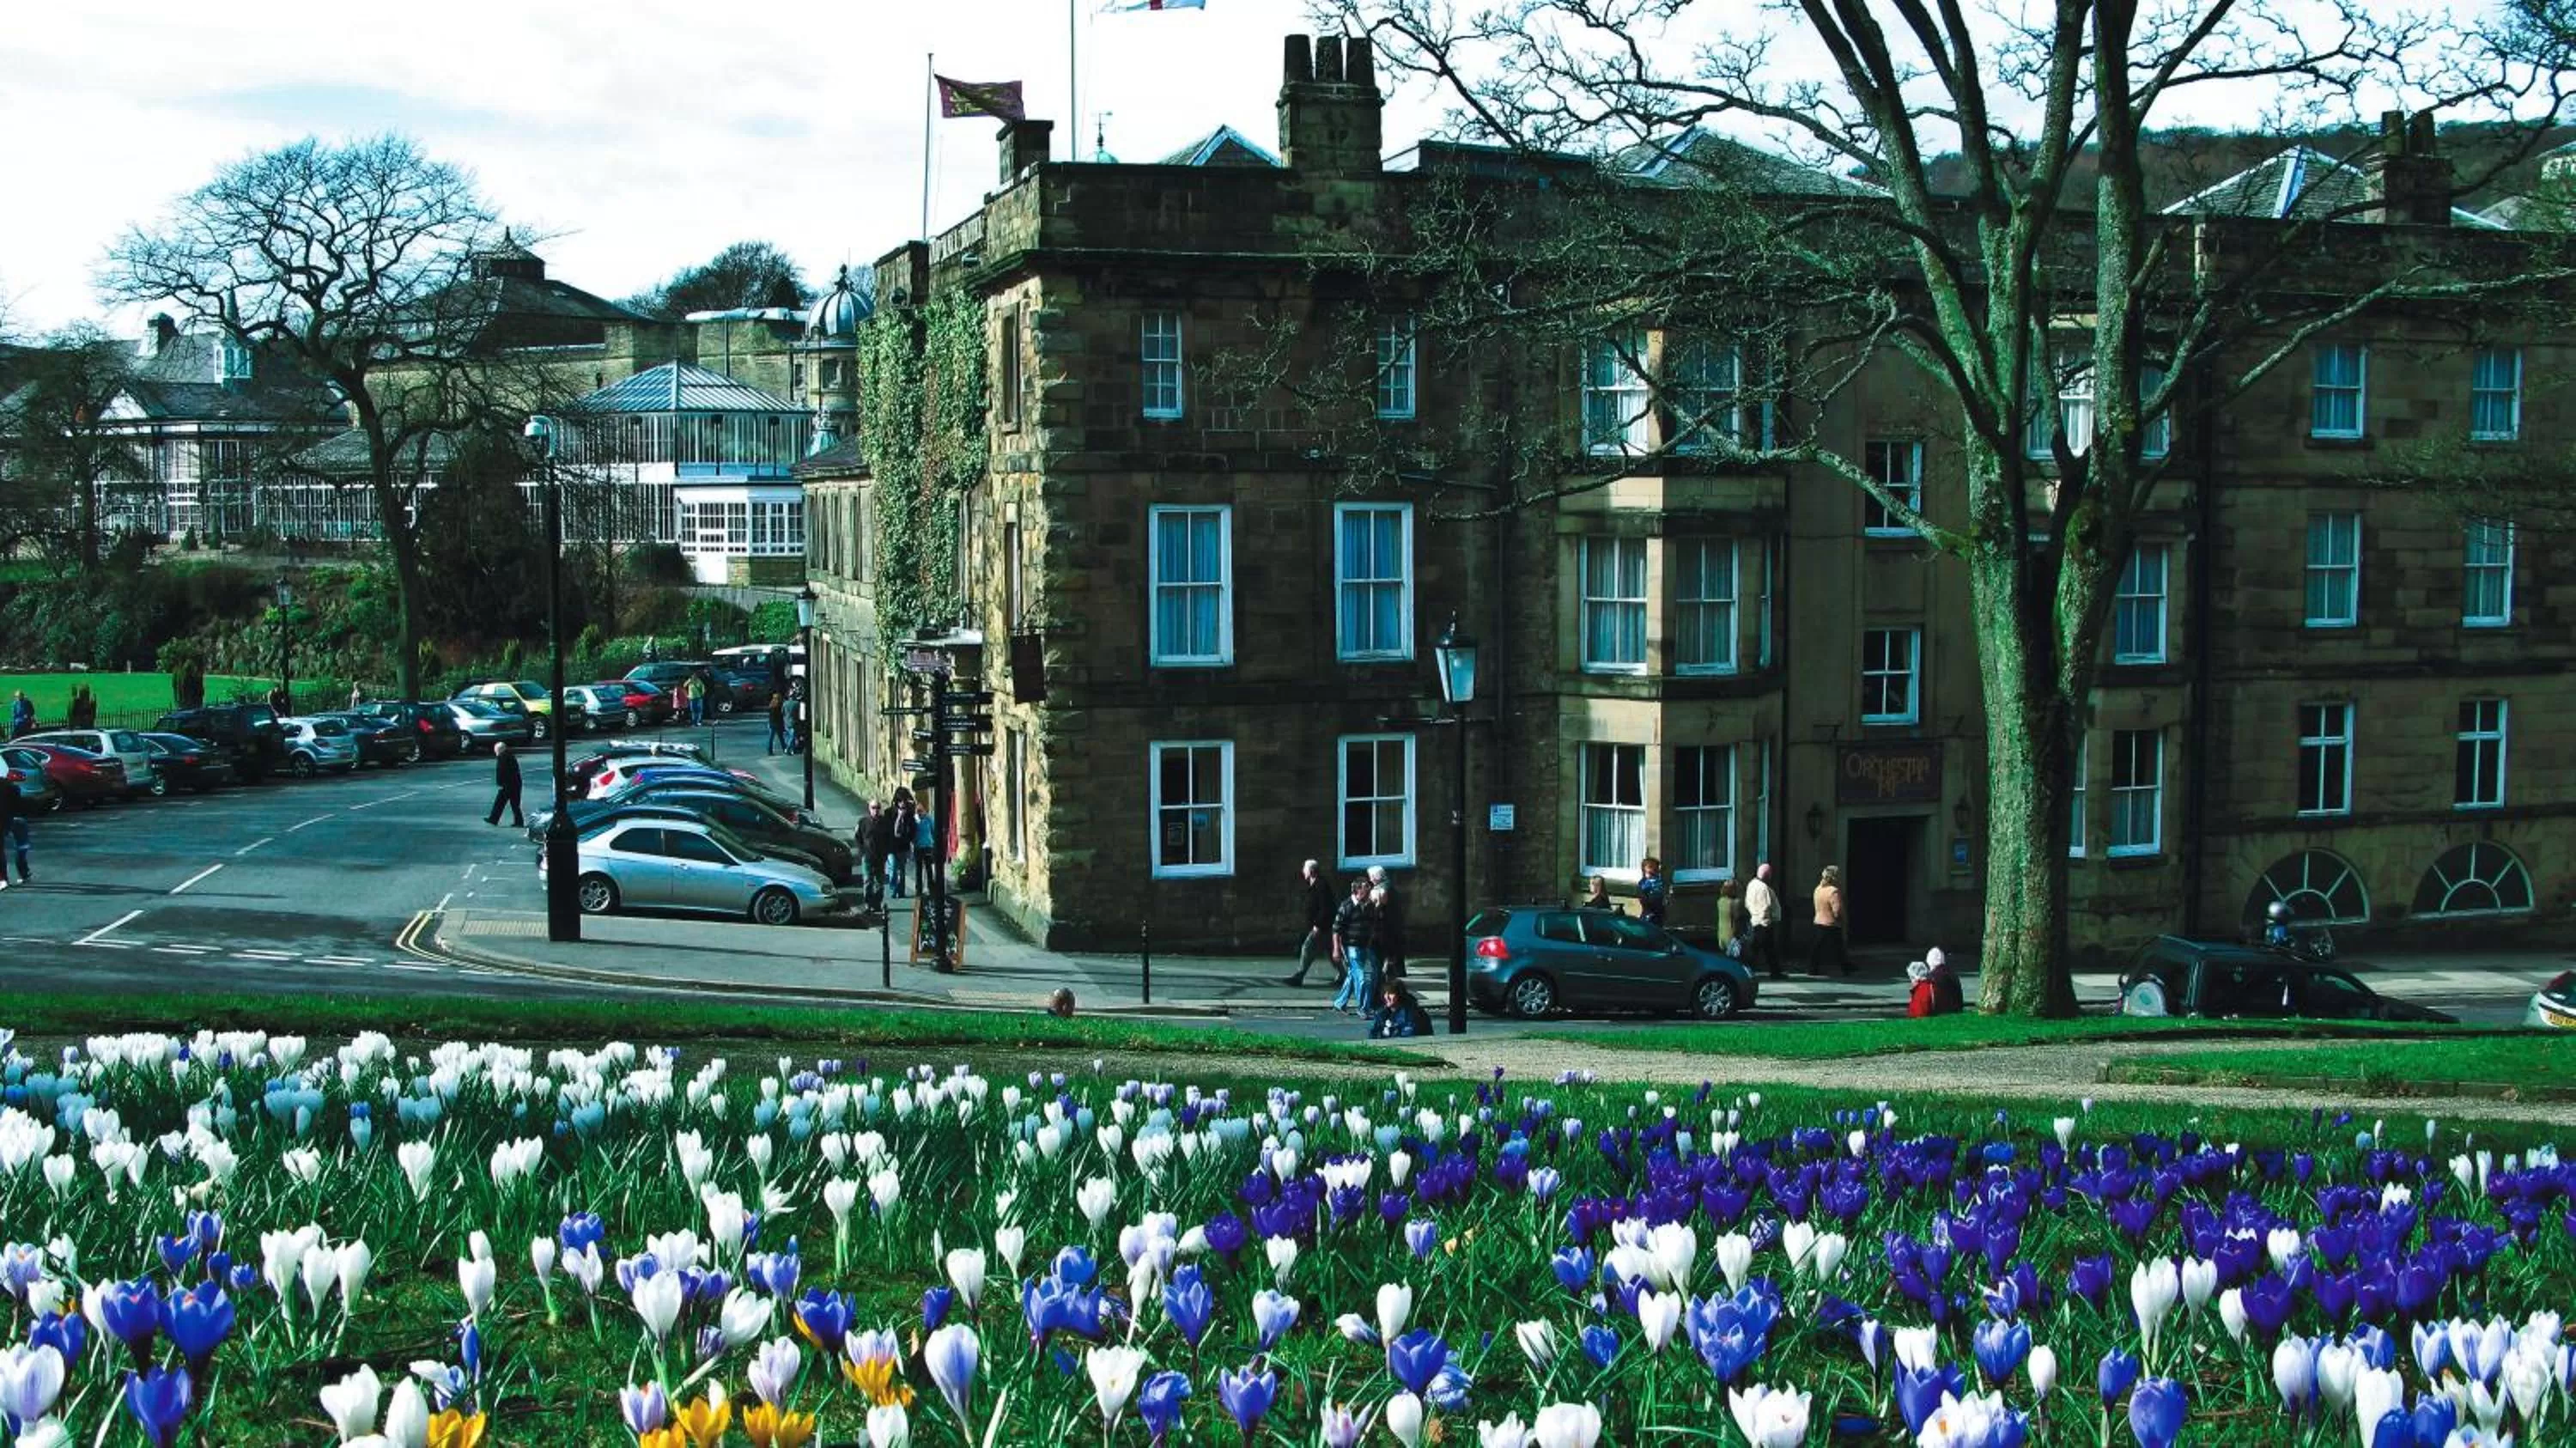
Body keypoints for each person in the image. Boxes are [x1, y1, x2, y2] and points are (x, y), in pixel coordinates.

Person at [1282, 859, 1341, 987]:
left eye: (1305, 869)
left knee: (1307, 948)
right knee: (1331, 952)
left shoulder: (1321, 885)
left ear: (1311, 871)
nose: (1303, 871)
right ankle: (1344, 975)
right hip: (1323, 926)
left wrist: (1317, 925)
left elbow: (1326, 908)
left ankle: (1299, 976)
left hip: (1322, 926)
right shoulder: (1315, 885)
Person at [1329, 876, 1377, 1015]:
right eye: (1366, 889)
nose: (1369, 892)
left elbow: (1372, 924)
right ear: (1357, 890)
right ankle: (1363, 1009)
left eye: (1369, 888)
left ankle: (1340, 1003)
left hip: (1365, 946)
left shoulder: (1370, 906)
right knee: (1363, 978)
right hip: (1350, 946)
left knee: (1353, 975)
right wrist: (1336, 949)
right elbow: (1336, 929)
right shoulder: (1347, 906)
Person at [1743, 861, 1784, 980]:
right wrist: (1767, 919)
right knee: (1759, 949)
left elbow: (1747, 903)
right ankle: (1748, 971)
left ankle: (1775, 971)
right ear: (1767, 875)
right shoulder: (1763, 888)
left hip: (1755, 920)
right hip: (1763, 922)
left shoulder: (1751, 884)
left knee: (1767, 949)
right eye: (1770, 874)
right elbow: (1766, 905)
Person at [1811, 865, 1850, 976]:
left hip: (1818, 921)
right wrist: (1842, 920)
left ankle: (1812, 968)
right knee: (1839, 947)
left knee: (1817, 947)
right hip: (1831, 923)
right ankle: (1845, 967)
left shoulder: (1818, 889)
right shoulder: (1834, 891)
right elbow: (1837, 910)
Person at [1368, 864, 1406, 981]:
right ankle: (1396, 971)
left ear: (1376, 877)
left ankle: (1388, 974)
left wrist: (1374, 906)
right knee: (1393, 948)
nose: (1370, 879)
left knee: (1387, 949)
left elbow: (1380, 903)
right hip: (1392, 922)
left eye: (1371, 876)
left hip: (1386, 923)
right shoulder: (1388, 885)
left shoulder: (1383, 887)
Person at [1368, 977, 1435, 1039]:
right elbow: (1373, 1035)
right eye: (1385, 993)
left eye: (1391, 993)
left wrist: (1391, 1031)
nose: (1387, 997)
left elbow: (1409, 1035)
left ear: (1399, 995)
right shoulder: (1382, 1013)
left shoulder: (1413, 1013)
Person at [485, 742, 523, 827]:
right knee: (515, 804)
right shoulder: (511, 756)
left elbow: (501, 771)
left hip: (507, 784)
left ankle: (493, 819)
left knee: (499, 802)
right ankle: (519, 821)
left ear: (499, 750)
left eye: (496, 751)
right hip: (516, 783)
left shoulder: (502, 758)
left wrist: (500, 782)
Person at [0, 772, 26, 888]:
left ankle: (3, 878)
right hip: (10, 818)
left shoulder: (7, 786)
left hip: (6, 818)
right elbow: (18, 802)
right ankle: (24, 872)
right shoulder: (10, 786)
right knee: (21, 846)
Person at [888, 795, 915, 898]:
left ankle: (901, 891)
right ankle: (894, 888)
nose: (902, 803)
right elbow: (891, 831)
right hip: (891, 847)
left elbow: (913, 831)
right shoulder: (890, 814)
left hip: (903, 847)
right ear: (897, 803)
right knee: (894, 868)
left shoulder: (909, 816)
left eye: (904, 801)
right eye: (900, 801)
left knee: (902, 871)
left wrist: (911, 843)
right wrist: (899, 817)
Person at [913, 800, 939, 895]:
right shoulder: (914, 820)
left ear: (924, 810)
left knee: (929, 868)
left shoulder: (929, 819)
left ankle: (931, 888)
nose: (919, 813)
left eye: (921, 810)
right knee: (918, 870)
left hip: (928, 846)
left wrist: (934, 843)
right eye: (918, 811)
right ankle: (918, 890)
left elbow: (933, 830)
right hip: (918, 847)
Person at [1716, 879, 1745, 957]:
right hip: (1732, 935)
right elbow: (1737, 918)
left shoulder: (1720, 901)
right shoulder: (1736, 903)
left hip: (1721, 934)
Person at [1637, 855, 1668, 926]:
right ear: (1644, 869)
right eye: (1650, 867)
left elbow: (1664, 891)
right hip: (1649, 909)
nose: (1653, 869)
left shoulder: (1660, 880)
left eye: (1655, 867)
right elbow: (1642, 896)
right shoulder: (1643, 882)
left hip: (1660, 909)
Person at [765, 691, 787, 755]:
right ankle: (785, 749)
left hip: (771, 723)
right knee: (781, 738)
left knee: (771, 738)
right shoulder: (780, 706)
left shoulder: (771, 705)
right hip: (778, 724)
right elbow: (781, 715)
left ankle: (770, 751)